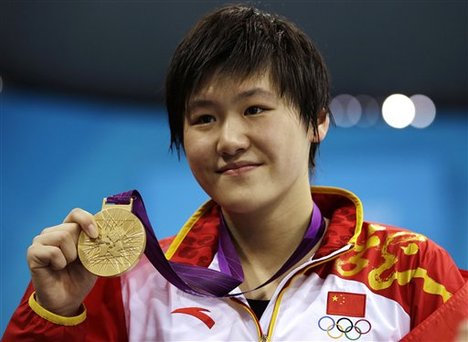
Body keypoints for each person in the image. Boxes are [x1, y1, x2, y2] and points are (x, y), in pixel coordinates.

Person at [3, 4, 467, 341]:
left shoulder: (412, 271)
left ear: (316, 121)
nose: (228, 140)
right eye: (203, 118)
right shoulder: (134, 284)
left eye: (255, 109)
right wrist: (55, 312)